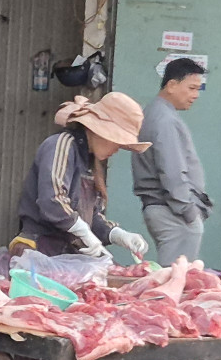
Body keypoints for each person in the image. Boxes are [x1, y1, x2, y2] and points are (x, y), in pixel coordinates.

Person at [13, 93, 152, 260]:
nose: (117, 149)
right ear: (100, 131)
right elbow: (52, 201)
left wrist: (117, 234)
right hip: (39, 249)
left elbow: (93, 218)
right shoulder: (61, 145)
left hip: (69, 254)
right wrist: (83, 231)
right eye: (118, 141)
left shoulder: (91, 163)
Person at [132, 57, 212, 264]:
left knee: (174, 275)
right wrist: (189, 211)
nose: (195, 95)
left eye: (198, 89)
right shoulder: (164, 119)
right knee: (174, 278)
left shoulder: (154, 112)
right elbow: (172, 172)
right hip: (172, 211)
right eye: (192, 88)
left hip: (166, 208)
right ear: (171, 85)